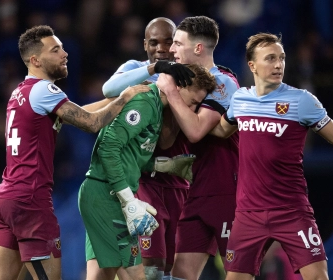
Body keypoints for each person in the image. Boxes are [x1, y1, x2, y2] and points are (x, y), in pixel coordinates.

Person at [208, 32, 333, 280]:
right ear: (252, 65)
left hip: (291, 211)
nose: (278, 64)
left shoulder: (301, 101)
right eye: (270, 58)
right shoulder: (240, 100)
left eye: (281, 58)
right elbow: (219, 131)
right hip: (248, 213)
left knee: (317, 277)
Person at [0, 25, 143, 280]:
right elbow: (92, 123)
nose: (64, 53)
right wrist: (126, 97)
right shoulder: (45, 90)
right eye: (55, 50)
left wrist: (114, 97)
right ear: (36, 60)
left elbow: (79, 112)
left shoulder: (20, 93)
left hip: (7, 199)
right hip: (31, 201)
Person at [78, 64, 217, 280]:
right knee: (137, 276)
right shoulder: (145, 103)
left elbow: (130, 155)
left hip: (105, 195)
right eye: (193, 102)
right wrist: (128, 200)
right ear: (178, 88)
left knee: (100, 276)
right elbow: (108, 148)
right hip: (107, 197)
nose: (192, 109)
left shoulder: (157, 112)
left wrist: (166, 166)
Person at [102, 17, 196, 279]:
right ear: (145, 45)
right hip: (144, 182)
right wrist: (156, 69)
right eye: (154, 43)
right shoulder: (136, 68)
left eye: (169, 42)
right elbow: (108, 89)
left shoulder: (189, 73)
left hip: (178, 184)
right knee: (149, 267)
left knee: (169, 268)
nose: (162, 48)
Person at [156, 16, 240, 280]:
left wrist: (170, 92)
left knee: (239, 274)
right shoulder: (184, 80)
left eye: (179, 43)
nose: (172, 49)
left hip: (227, 192)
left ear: (198, 49)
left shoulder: (223, 82)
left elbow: (195, 131)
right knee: (181, 273)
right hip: (196, 192)